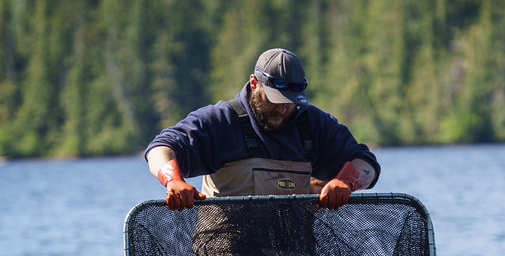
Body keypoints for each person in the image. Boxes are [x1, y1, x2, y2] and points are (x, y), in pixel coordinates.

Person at [144, 48, 379, 210]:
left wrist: (346, 182)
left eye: (292, 101)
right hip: (228, 254)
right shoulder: (221, 121)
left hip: (295, 251)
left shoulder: (313, 124)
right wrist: (173, 180)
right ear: (254, 84)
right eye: (276, 99)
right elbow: (160, 148)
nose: (284, 109)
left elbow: (365, 163)